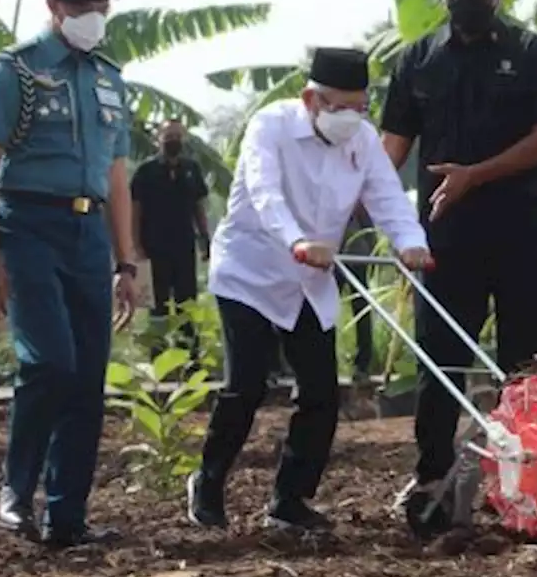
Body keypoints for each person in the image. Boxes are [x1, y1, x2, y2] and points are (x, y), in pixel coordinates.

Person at [187, 48, 430, 531]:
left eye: (360, 108)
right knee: (248, 386)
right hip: (250, 273)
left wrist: (411, 244)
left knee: (320, 392)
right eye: (339, 108)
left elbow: (386, 197)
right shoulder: (271, 127)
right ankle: (208, 482)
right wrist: (296, 240)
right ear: (310, 99)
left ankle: (290, 499)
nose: (351, 118)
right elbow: (264, 192)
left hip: (310, 281)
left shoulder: (362, 141)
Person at [380, 0, 537, 537]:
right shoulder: (417, 61)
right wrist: (378, 216)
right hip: (446, 240)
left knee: (524, 366)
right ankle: (433, 476)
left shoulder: (532, 52)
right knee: (441, 362)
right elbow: (391, 149)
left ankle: (524, 486)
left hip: (526, 231)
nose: (468, 6)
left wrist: (477, 175)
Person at [0, 0, 137, 546]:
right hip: (29, 226)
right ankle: (17, 492)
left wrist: (126, 260)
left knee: (87, 376)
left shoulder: (109, 78)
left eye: (100, 7)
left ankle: (68, 515)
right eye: (80, 8)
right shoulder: (15, 73)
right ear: (53, 8)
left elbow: (117, 178)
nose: (92, 17)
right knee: (49, 363)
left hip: (90, 235)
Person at [130, 119, 211, 361]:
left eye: (177, 136)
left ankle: (191, 359)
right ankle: (159, 360)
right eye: (168, 136)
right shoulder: (145, 172)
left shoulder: (191, 169)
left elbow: (199, 207)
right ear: (158, 139)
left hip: (184, 246)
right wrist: (136, 246)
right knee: (158, 307)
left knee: (187, 303)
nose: (173, 140)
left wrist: (205, 239)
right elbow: (135, 211)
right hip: (154, 248)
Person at [335, 205, 377, 386]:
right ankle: (327, 362)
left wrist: (372, 250)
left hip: (355, 255)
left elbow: (367, 223)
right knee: (324, 312)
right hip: (331, 256)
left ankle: (363, 364)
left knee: (361, 310)